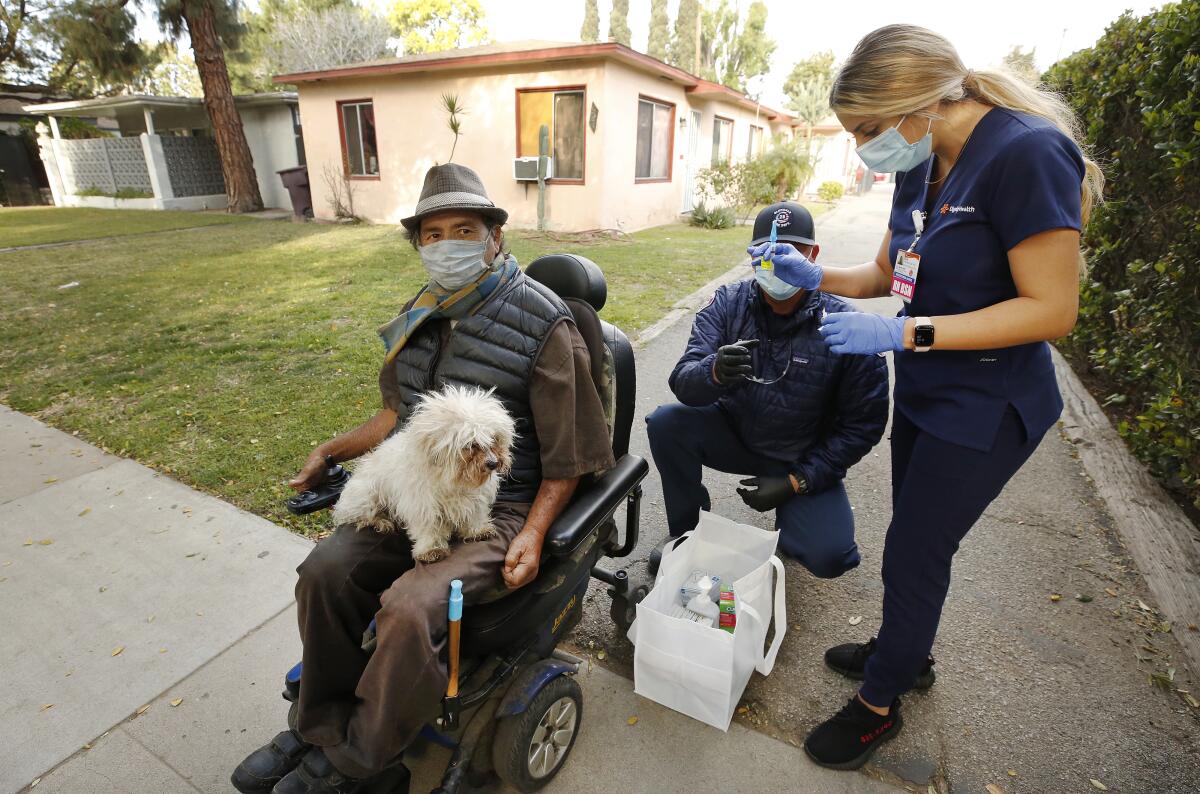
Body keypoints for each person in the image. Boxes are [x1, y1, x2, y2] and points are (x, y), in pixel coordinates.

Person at [748, 25, 1103, 770]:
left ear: (920, 101)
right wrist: (814, 275)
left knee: (914, 552)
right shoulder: (923, 161)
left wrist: (907, 338)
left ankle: (878, 706)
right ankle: (906, 653)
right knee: (913, 534)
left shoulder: (1027, 153)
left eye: (868, 130)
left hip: (989, 404)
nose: (863, 148)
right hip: (928, 393)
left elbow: (1052, 309)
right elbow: (886, 275)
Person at [232, 163, 614, 794]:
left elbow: (570, 456)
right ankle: (317, 726)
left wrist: (534, 532)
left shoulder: (547, 324)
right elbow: (394, 417)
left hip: (500, 504)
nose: (447, 245)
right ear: (419, 244)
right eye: (432, 234)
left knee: (410, 609)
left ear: (494, 234)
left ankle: (365, 764)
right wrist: (331, 449)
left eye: (463, 229)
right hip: (419, 488)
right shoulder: (421, 313)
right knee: (325, 572)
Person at [645, 202, 889, 579]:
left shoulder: (847, 324)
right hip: (736, 431)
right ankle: (687, 533)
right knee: (666, 423)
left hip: (800, 451)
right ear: (752, 255)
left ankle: (793, 526)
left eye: (792, 251)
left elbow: (863, 426)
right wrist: (714, 372)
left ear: (814, 255)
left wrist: (796, 482)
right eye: (768, 251)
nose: (779, 262)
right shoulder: (727, 304)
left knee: (830, 557)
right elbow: (683, 382)